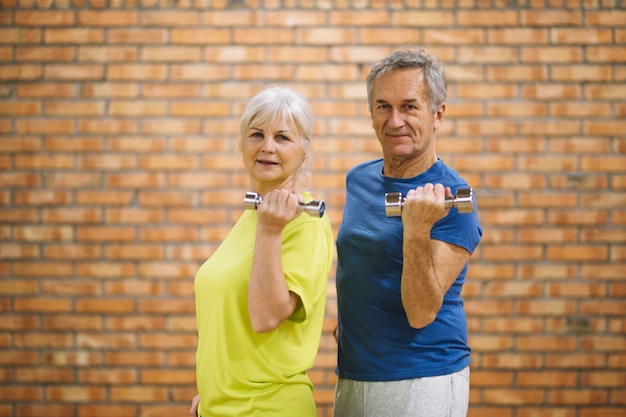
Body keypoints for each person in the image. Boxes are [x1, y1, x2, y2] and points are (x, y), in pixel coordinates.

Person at [333, 48, 483, 417]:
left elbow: (420, 312)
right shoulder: (359, 179)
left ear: (438, 114)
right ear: (370, 115)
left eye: (410, 107)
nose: (395, 120)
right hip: (355, 372)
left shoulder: (453, 199)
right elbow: (362, 262)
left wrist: (415, 230)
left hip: (423, 377)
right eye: (383, 106)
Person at [189, 86, 334, 417]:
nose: (267, 147)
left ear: (303, 153)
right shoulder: (252, 217)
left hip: (269, 408)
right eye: (257, 134)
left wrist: (270, 231)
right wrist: (212, 394)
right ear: (241, 145)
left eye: (283, 137)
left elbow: (266, 316)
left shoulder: (305, 222)